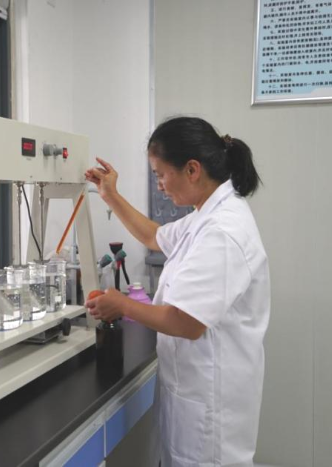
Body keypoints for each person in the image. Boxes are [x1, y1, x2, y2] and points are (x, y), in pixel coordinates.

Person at [84, 116, 270, 467]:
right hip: (194, 388)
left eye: (161, 174)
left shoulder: (222, 231)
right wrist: (110, 195)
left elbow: (187, 322)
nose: (159, 186)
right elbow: (154, 236)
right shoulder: (206, 215)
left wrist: (122, 305)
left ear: (192, 170)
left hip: (211, 400)